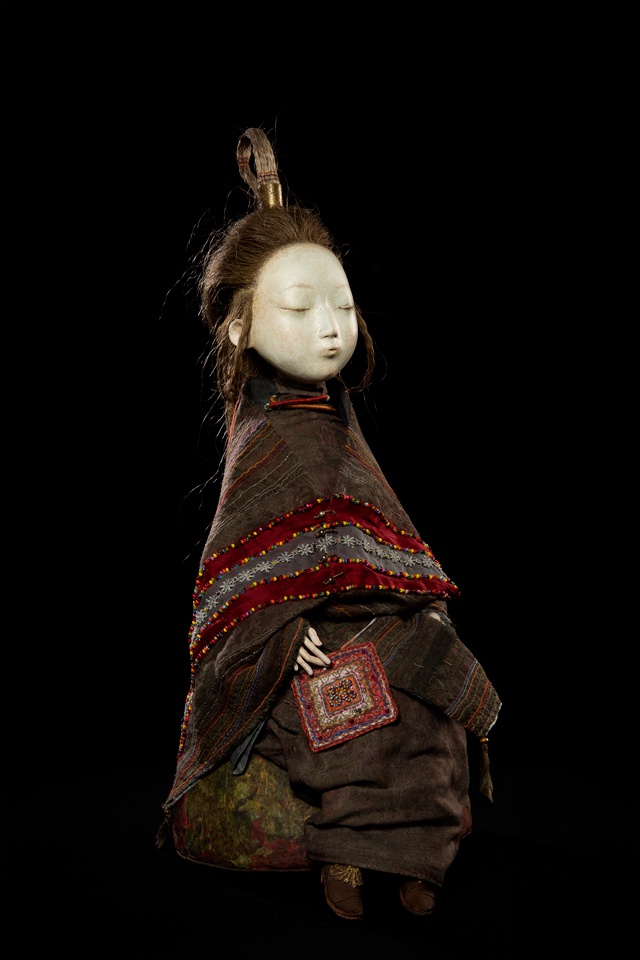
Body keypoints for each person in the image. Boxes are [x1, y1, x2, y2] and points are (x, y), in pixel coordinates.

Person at [157, 127, 501, 921]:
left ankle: (417, 862)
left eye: (343, 306)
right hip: (307, 643)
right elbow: (237, 578)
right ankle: (348, 857)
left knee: (434, 694)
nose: (331, 326)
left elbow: (390, 540)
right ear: (239, 326)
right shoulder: (263, 442)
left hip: (373, 619)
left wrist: (422, 608)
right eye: (300, 307)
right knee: (358, 716)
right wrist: (284, 630)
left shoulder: (341, 425)